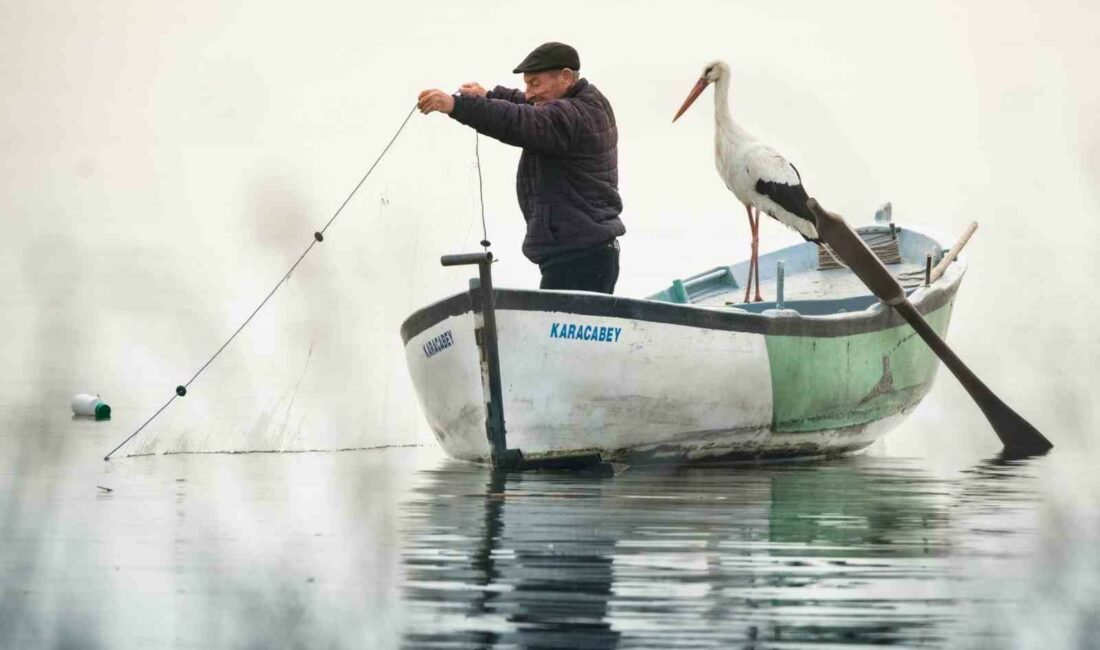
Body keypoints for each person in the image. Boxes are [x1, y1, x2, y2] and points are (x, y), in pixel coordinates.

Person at [417, 42, 625, 294]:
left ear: (566, 77)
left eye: (535, 83)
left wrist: (456, 105)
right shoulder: (585, 101)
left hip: (580, 259)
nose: (528, 92)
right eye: (527, 84)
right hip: (583, 251)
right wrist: (490, 96)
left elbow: (521, 119)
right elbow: (527, 105)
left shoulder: (572, 115)